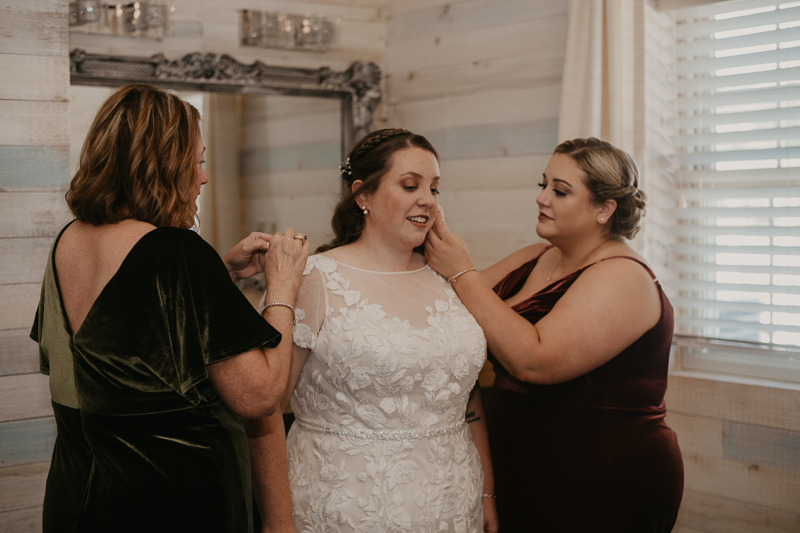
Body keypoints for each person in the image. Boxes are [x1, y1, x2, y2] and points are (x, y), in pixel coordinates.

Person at [30, 83, 309, 533]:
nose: (202, 177)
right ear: (160, 164)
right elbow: (259, 395)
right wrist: (283, 285)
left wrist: (220, 272)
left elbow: (124, 335)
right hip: (170, 503)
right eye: (197, 161)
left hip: (77, 500)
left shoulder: (68, 241)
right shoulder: (176, 249)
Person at [425, 138, 683, 532]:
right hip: (524, 465)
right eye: (543, 184)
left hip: (600, 475)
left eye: (559, 191)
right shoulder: (536, 256)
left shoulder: (623, 277)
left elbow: (534, 361)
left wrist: (462, 270)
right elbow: (451, 307)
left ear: (604, 209)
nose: (541, 199)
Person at [248, 129, 499, 533]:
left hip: (454, 503)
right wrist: (277, 522)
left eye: (434, 188)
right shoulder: (315, 279)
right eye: (410, 185)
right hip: (346, 508)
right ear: (363, 195)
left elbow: (467, 395)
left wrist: (486, 491)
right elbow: (266, 410)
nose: (428, 200)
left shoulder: (448, 276)